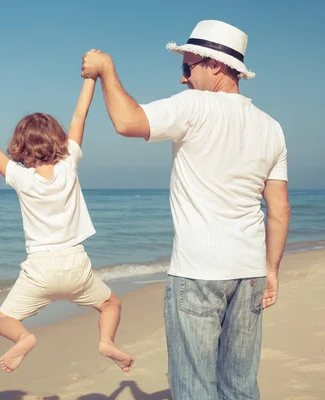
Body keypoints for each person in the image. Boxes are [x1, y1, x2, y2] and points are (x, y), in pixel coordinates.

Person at [81, 20, 291, 399]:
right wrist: (272, 270)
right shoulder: (271, 127)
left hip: (198, 271)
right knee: (241, 386)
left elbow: (127, 121)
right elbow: (278, 210)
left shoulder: (195, 106)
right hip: (250, 273)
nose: (183, 79)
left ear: (214, 65)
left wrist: (107, 71)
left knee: (194, 387)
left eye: (187, 67)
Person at [0, 79, 134, 374]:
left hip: (40, 269)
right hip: (76, 264)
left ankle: (24, 338)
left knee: (2, 320)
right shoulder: (70, 164)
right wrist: (91, 79)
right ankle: (105, 341)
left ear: (19, 146)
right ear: (60, 140)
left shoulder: (20, 177)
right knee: (111, 304)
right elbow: (80, 114)